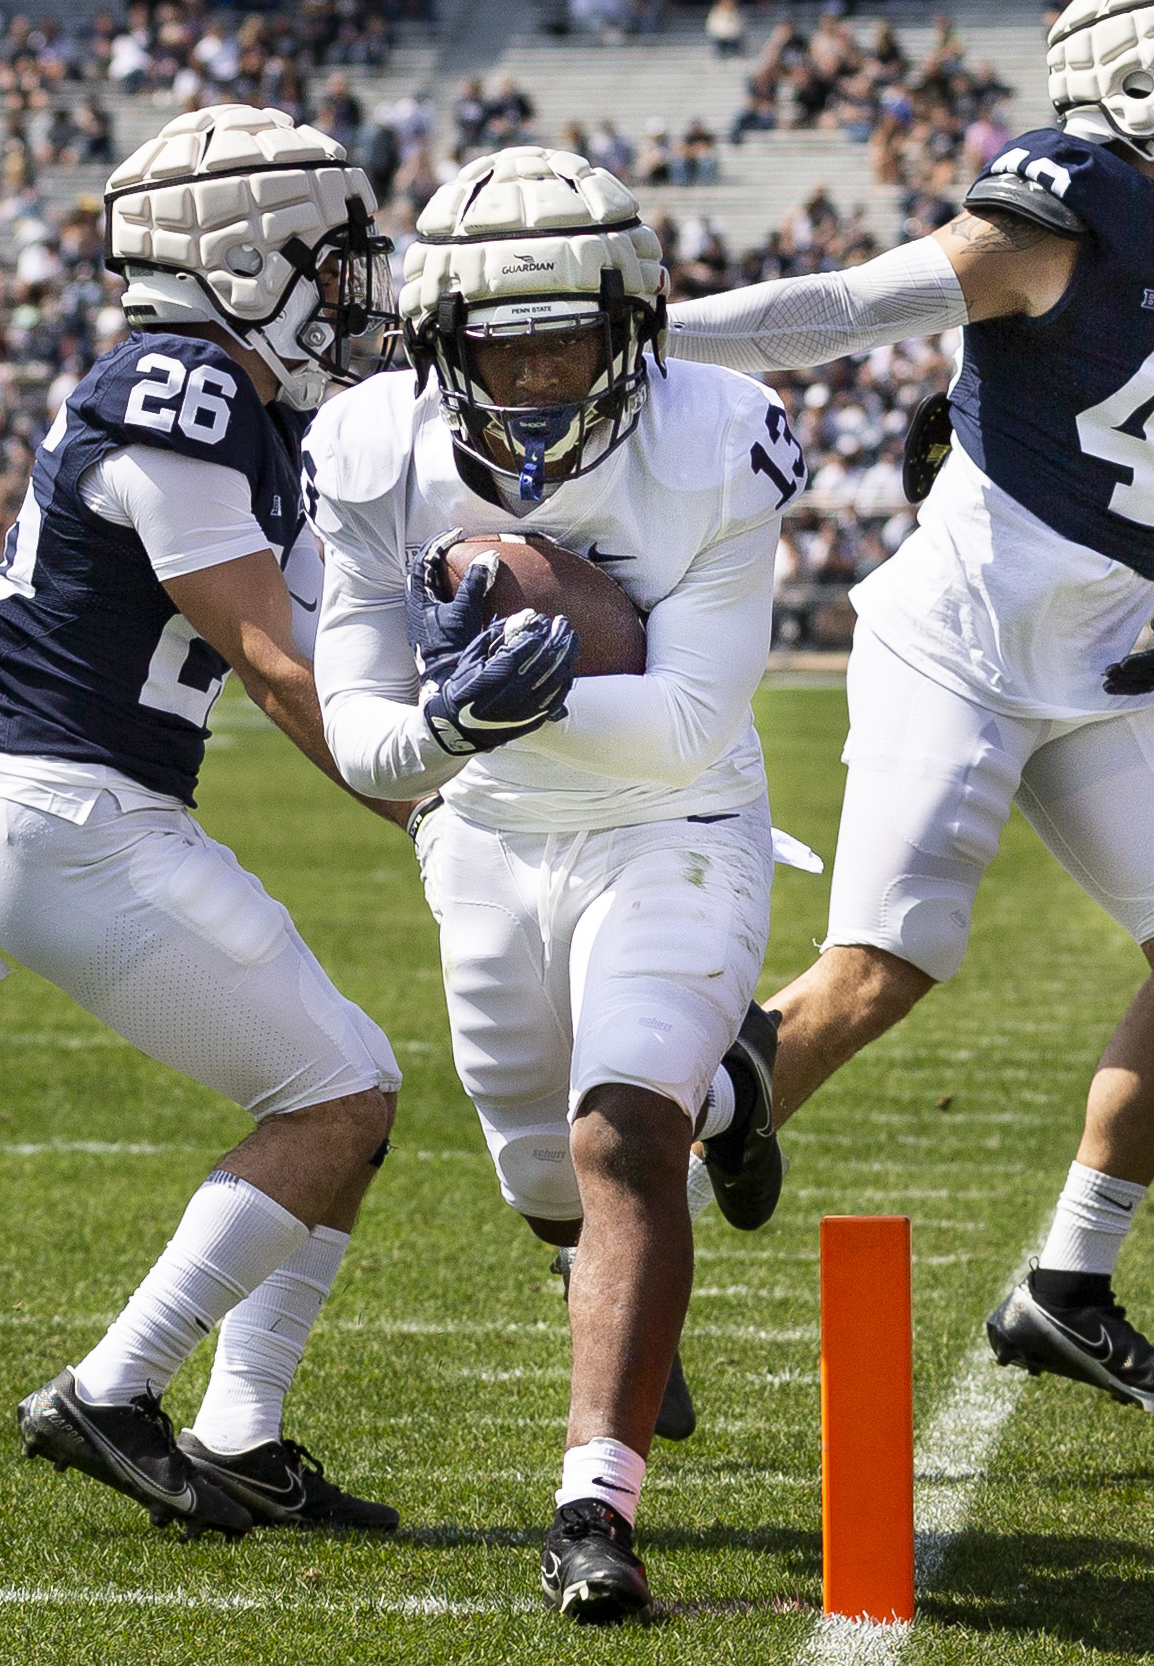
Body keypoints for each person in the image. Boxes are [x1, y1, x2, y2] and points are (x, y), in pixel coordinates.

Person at [661, 0, 1154, 1414]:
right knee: (872, 975)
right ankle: (619, 1241)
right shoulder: (1064, 211)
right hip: (956, 643)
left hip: (1094, 659)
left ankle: (1064, 1288)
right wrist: (642, 338)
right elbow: (843, 310)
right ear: (1140, 90)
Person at [308, 146, 798, 1623]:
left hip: (675, 817)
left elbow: (690, 716)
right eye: (500, 341)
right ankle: (732, 1093)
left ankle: (595, 1503)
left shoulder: (717, 430)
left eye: (565, 334)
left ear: (633, 323)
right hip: (488, 828)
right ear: (437, 341)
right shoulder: (367, 445)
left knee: (621, 1134)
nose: (531, 373)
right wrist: (465, 723)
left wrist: (494, 693)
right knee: (537, 1162)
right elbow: (361, 731)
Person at [0, 106, 414, 1539]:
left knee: (349, 1086)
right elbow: (272, 663)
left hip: (86, 808)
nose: (344, 289)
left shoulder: (232, 403)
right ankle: (109, 1388)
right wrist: (425, 814)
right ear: (243, 260)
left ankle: (242, 1433)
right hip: (71, 815)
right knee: (336, 1098)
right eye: (323, 259)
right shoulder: (180, 393)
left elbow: (340, 627)